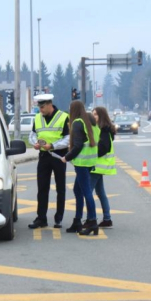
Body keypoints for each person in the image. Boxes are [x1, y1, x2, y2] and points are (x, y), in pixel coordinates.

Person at [28, 94, 70, 229]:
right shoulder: (38, 118)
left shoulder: (63, 117)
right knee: (42, 188)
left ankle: (58, 218)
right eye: (39, 107)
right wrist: (35, 143)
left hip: (58, 155)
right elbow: (32, 135)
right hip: (44, 156)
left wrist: (53, 146)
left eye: (42, 107)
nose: (40, 109)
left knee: (60, 188)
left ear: (49, 104)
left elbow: (68, 138)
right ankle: (41, 218)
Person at [61, 101, 100, 236]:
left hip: (82, 163)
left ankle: (92, 221)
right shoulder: (90, 122)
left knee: (86, 192)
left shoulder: (77, 123)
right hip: (90, 161)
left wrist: (67, 157)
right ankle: (77, 221)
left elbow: (77, 146)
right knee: (78, 190)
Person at [89, 107, 117, 229]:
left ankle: (91, 219)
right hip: (99, 166)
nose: (93, 116)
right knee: (100, 192)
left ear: (102, 116)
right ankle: (107, 218)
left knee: (87, 192)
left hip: (97, 165)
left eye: (96, 114)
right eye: (92, 114)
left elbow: (103, 148)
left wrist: (91, 152)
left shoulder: (103, 130)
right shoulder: (102, 129)